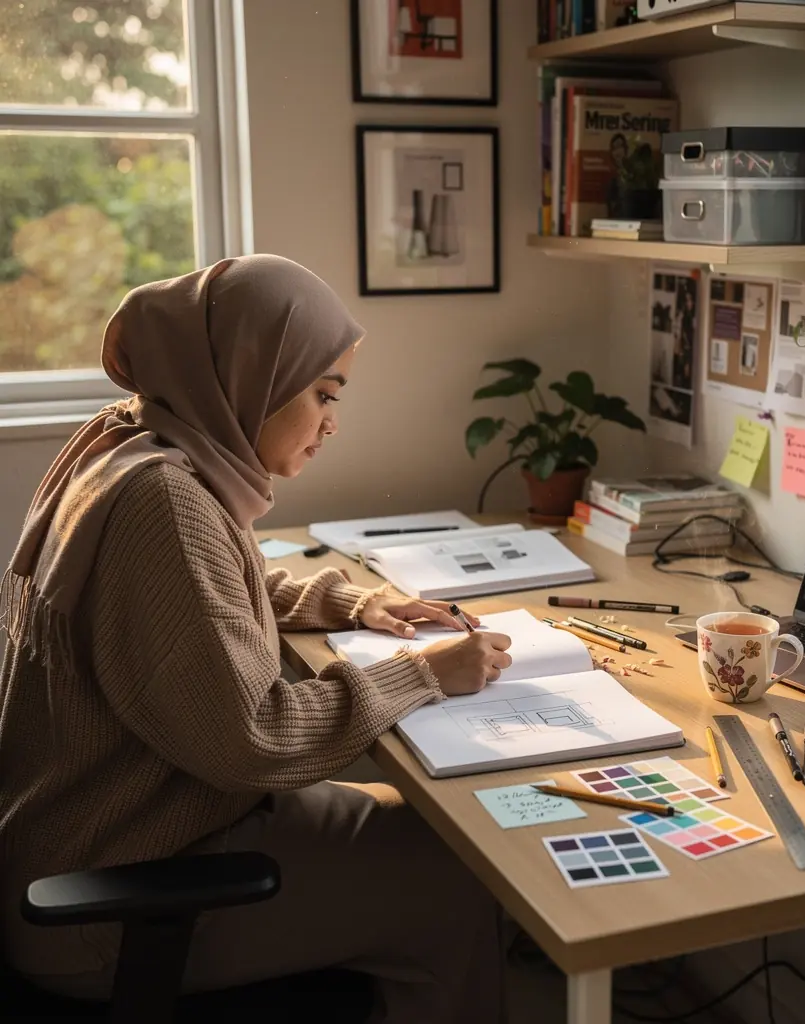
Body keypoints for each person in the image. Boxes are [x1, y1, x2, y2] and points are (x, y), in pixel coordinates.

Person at [0, 255, 510, 1023]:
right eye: (322, 394)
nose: (333, 421)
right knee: (461, 875)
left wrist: (351, 603)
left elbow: (193, 596)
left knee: (419, 827)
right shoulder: (164, 500)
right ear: (250, 377)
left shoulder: (133, 442)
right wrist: (422, 674)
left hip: (107, 829)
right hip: (114, 897)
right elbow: (255, 736)